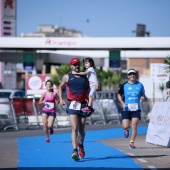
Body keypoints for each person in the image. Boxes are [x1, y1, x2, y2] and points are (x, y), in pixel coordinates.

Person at [58, 57, 89, 161]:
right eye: (74, 65)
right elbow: (60, 87)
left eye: (78, 64)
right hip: (72, 104)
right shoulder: (67, 77)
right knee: (74, 128)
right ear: (71, 66)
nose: (76, 66)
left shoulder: (85, 77)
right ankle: (75, 150)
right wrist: (61, 98)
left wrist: (90, 101)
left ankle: (81, 145)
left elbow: (89, 89)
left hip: (83, 104)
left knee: (82, 130)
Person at [117, 69, 145, 149]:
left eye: (134, 74)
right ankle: (127, 129)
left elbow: (143, 93)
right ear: (128, 76)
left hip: (136, 109)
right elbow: (119, 95)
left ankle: (132, 142)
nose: (132, 75)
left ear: (135, 75)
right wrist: (122, 103)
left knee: (134, 125)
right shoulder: (124, 85)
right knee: (125, 126)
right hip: (126, 109)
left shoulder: (140, 85)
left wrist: (142, 97)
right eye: (130, 74)